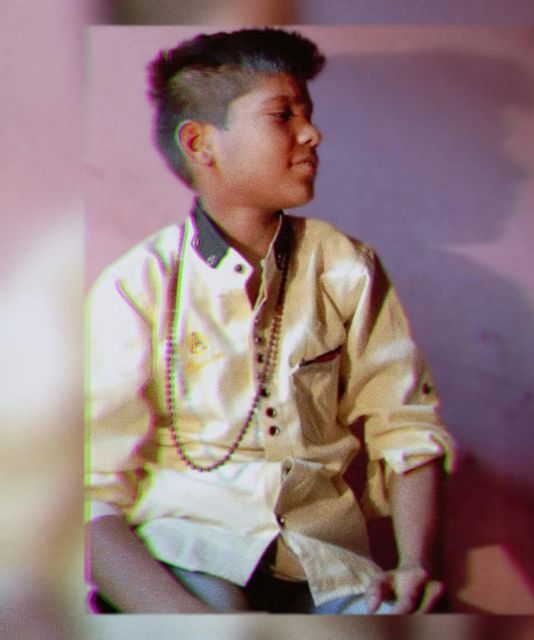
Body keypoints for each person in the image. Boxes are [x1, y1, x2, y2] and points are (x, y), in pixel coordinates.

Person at [86, 27, 454, 614]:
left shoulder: (346, 266)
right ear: (200, 143)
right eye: (283, 115)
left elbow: (405, 427)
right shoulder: (138, 285)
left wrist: (414, 563)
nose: (312, 133)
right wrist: (188, 623)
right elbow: (89, 492)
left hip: (325, 562)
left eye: (308, 113)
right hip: (186, 553)